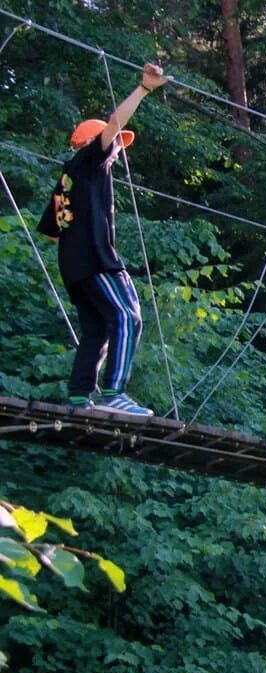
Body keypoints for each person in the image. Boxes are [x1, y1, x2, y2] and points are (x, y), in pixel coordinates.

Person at [37, 63, 169, 416]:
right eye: (114, 145)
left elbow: (52, 231)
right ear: (93, 143)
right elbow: (115, 123)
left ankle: (80, 396)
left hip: (75, 269)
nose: (117, 151)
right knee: (128, 318)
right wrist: (144, 89)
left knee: (97, 330)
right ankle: (114, 394)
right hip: (96, 260)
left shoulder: (67, 180)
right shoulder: (89, 160)